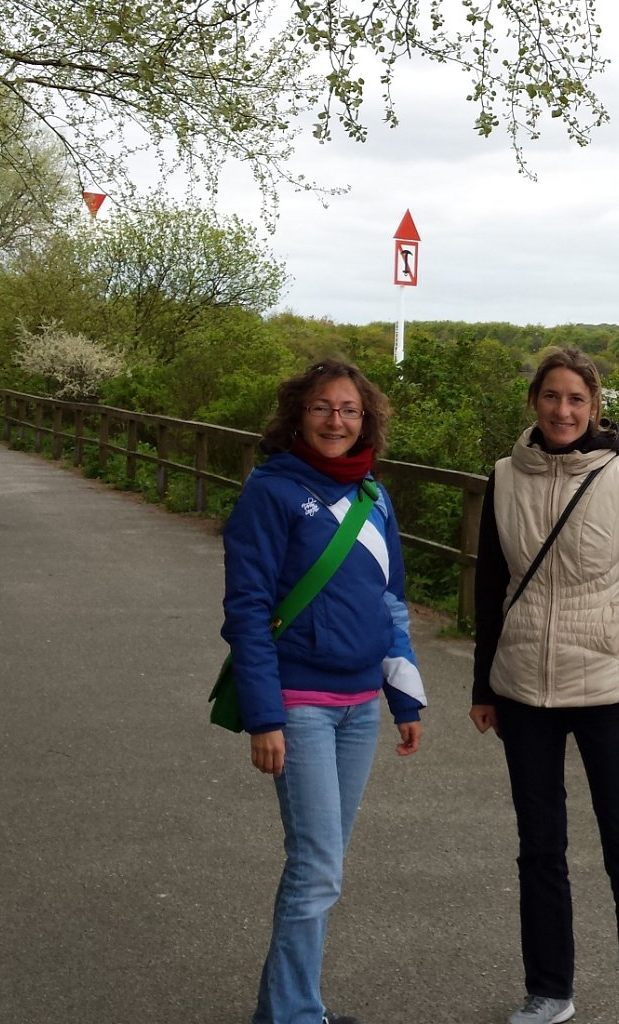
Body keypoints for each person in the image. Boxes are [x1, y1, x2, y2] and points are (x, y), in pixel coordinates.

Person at [470, 348, 619, 1024]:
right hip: (522, 688)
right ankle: (549, 991)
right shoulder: (504, 476)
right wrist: (483, 684)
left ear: (594, 407)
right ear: (534, 400)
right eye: (552, 396)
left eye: (576, 400)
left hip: (609, 690)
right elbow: (490, 585)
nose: (563, 411)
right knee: (539, 850)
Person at [221, 359, 426, 1024]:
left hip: (360, 707)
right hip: (299, 703)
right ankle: (294, 1016)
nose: (336, 421)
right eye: (322, 408)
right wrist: (264, 717)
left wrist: (405, 697)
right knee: (316, 869)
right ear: (297, 414)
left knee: (323, 864)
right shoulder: (272, 491)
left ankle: (289, 1009)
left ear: (366, 420)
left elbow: (390, 604)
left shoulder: (374, 497)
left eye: (349, 410)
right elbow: (248, 609)